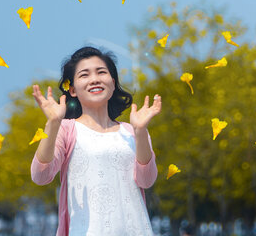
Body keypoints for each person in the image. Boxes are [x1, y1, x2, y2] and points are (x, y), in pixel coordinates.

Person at [30, 46, 161, 236]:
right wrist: (53, 123)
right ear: (72, 90)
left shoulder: (132, 131)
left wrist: (141, 132)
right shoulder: (66, 129)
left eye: (101, 72)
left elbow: (146, 180)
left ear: (113, 82)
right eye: (84, 75)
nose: (95, 79)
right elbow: (40, 176)